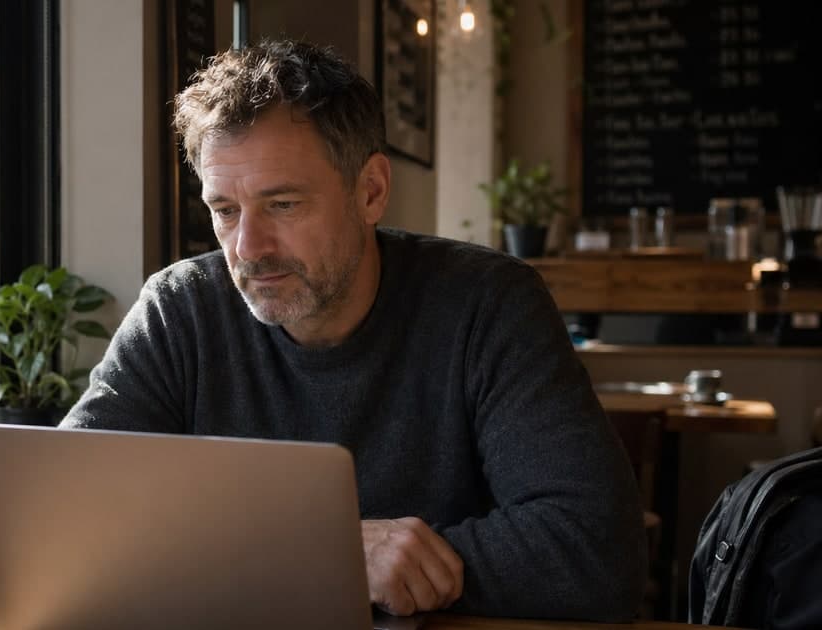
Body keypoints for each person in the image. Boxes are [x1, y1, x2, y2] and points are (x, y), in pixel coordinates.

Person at [60, 40, 646, 621]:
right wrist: (329, 555)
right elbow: (64, 521)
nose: (249, 249)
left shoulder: (488, 304)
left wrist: (243, 559)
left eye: (283, 205)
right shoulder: (179, 310)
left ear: (371, 191)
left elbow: (594, 549)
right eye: (225, 210)